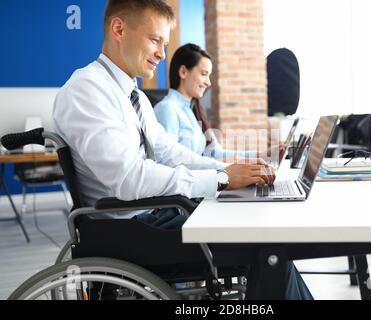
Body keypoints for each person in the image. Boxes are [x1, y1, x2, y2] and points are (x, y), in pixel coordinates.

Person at [52, 0, 311, 300]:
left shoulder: (134, 96)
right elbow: (128, 178)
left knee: (257, 229)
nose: (163, 54)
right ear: (119, 29)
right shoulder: (87, 89)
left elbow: (170, 153)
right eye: (155, 40)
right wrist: (221, 180)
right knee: (266, 246)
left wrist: (226, 172)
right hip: (131, 231)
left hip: (153, 216)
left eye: (164, 43)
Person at [154, 43, 286, 162]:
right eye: (204, 74)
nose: (208, 82)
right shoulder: (167, 109)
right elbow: (168, 162)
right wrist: (226, 170)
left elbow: (215, 153)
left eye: (209, 75)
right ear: (183, 72)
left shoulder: (192, 111)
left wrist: (262, 155)